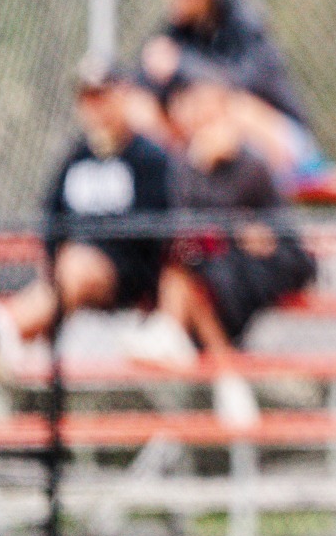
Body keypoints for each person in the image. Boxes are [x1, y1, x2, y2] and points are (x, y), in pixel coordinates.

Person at [0, 56, 174, 382]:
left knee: (76, 265)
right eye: (87, 99)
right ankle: (4, 336)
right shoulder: (76, 155)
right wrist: (54, 255)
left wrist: (93, 250)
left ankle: (2, 328)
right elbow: (50, 215)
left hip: (123, 275)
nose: (94, 107)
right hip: (69, 272)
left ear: (122, 96)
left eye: (102, 96)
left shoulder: (148, 157)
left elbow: (154, 229)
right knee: (68, 267)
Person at [123, 70, 316, 430]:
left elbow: (255, 235)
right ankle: (224, 372)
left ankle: (175, 333)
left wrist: (206, 174)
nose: (203, 117)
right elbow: (188, 226)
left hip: (256, 273)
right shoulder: (185, 162)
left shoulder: (249, 164)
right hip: (209, 276)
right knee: (185, 271)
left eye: (211, 108)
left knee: (186, 269)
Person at [140, 0, 322, 188]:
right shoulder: (178, 32)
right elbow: (143, 86)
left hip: (284, 143)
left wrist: (180, 65)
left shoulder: (247, 28)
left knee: (234, 108)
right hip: (214, 147)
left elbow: (239, 85)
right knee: (145, 107)